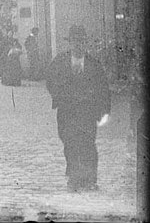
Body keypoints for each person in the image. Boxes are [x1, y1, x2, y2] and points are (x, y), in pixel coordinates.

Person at [45, 25, 111, 192]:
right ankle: (74, 177)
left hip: (87, 113)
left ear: (85, 43)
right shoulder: (59, 62)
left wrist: (104, 112)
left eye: (81, 42)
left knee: (88, 144)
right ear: (70, 43)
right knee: (70, 143)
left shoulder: (94, 65)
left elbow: (103, 89)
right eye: (75, 42)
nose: (78, 46)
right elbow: (50, 81)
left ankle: (89, 179)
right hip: (67, 112)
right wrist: (60, 96)